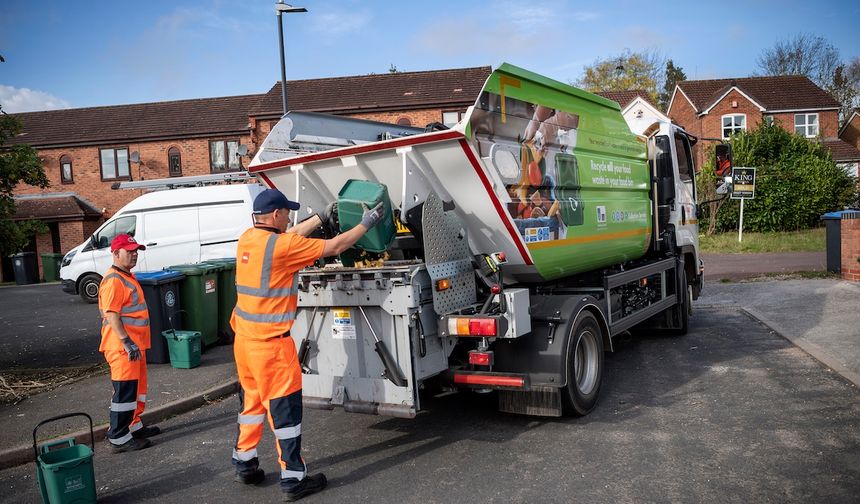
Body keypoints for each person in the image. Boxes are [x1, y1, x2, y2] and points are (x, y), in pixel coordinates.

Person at [230, 188, 385, 501]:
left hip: (244, 342)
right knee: (285, 412)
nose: (290, 217)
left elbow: (288, 236)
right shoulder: (283, 246)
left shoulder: (248, 238)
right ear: (276, 215)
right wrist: (367, 223)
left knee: (252, 405)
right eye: (287, 212)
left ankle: (244, 462)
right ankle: (293, 479)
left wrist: (320, 218)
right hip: (272, 348)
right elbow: (336, 245)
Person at [99, 233, 160, 453]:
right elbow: (112, 315)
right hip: (123, 347)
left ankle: (133, 425)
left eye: (136, 251)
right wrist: (127, 342)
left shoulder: (126, 276)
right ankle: (118, 437)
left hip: (133, 346)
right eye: (129, 251)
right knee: (124, 392)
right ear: (116, 253)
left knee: (136, 389)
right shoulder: (114, 281)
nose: (134, 255)